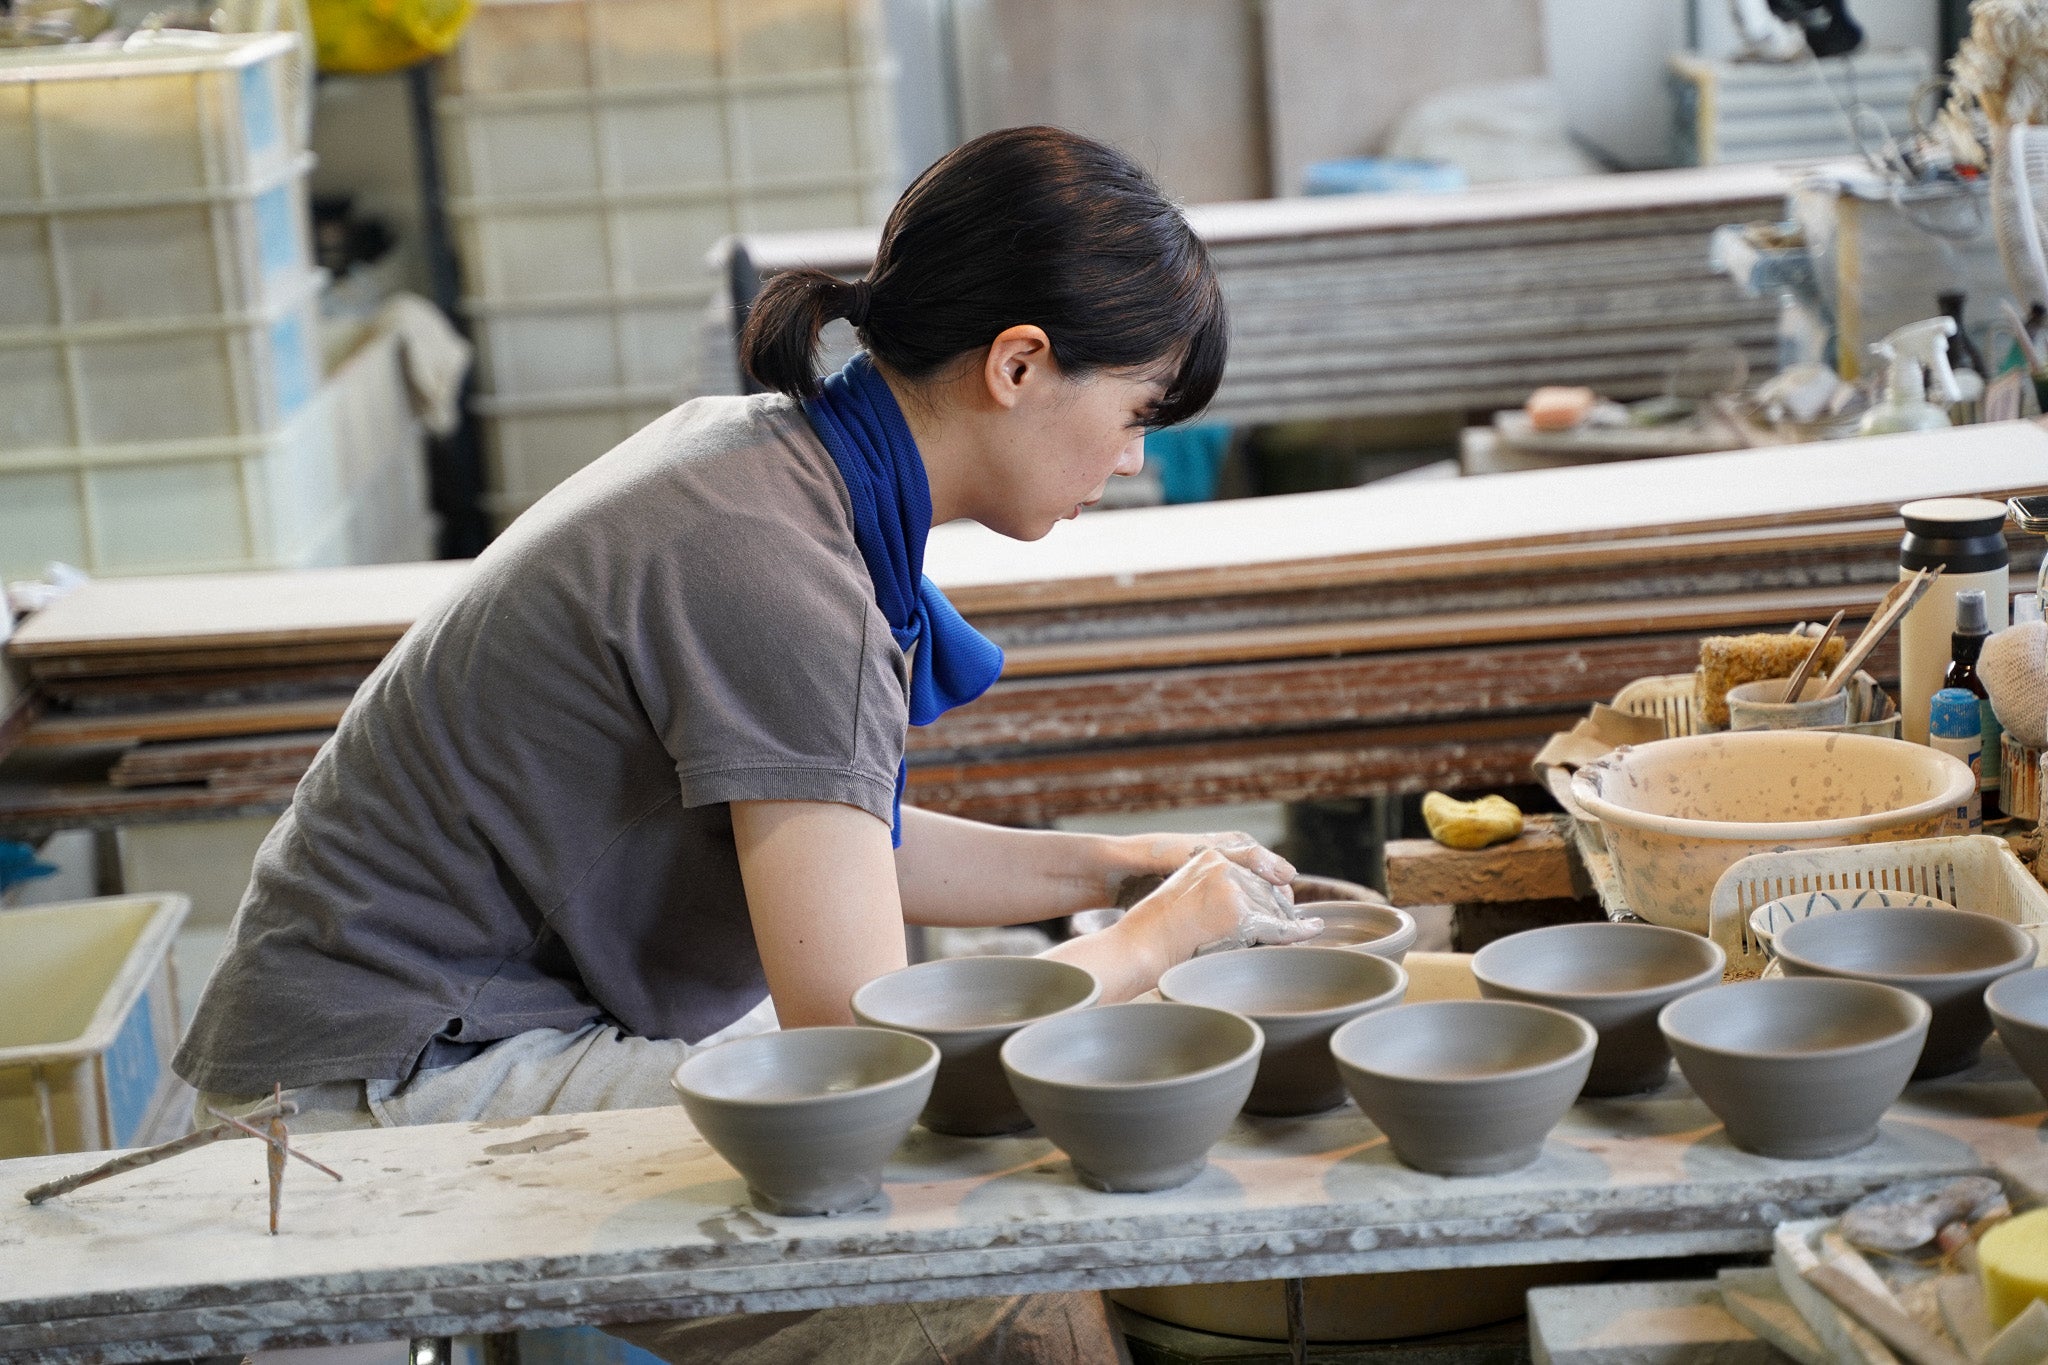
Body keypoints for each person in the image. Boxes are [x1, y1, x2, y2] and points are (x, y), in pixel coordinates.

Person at [172, 125, 1319, 1362]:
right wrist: (1157, 940)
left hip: (442, 1024)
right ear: (1020, 364)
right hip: (377, 1083)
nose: (1134, 458)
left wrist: (1115, 868)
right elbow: (869, 1042)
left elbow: (831, 837)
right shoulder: (775, 567)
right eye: (1138, 411)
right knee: (980, 1263)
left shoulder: (773, 464)